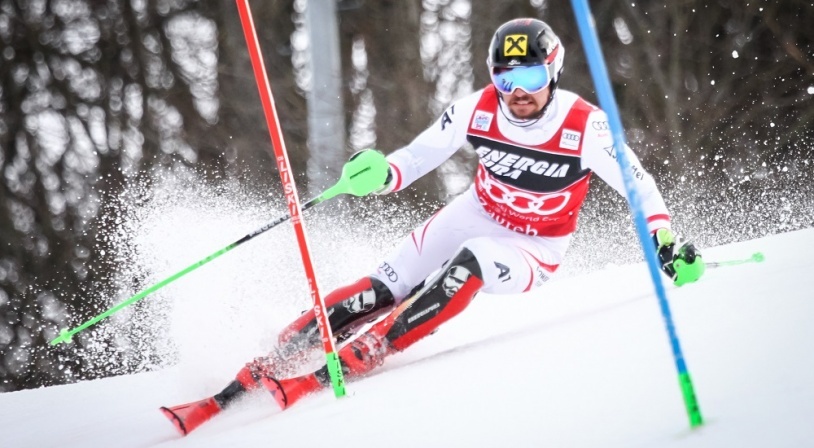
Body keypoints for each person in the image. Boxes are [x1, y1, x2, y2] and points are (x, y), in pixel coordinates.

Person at [160, 18, 705, 435]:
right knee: (377, 289)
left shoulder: (584, 125)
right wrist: (380, 172)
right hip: (477, 211)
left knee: (465, 263)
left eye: (532, 77)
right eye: (505, 77)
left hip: (534, 246)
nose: (518, 91)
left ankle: (370, 349)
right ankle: (269, 362)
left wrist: (664, 239)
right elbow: (417, 158)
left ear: (553, 73)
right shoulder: (478, 109)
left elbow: (639, 185)